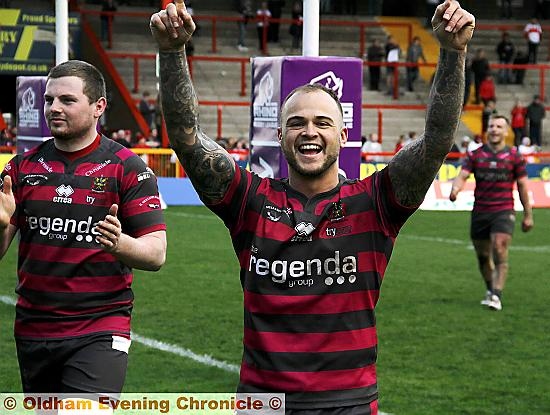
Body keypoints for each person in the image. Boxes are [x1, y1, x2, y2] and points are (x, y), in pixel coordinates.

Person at [150, 0, 474, 411]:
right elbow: (187, 138)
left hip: (348, 402)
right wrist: (173, 50)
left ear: (343, 135)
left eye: (322, 123)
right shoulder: (250, 201)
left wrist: (453, 52)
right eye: (297, 123)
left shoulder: (375, 202)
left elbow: (435, 143)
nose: (310, 132)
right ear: (280, 136)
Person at [0, 60, 166, 399]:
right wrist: (1, 224)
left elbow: (156, 253)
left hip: (100, 327)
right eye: (48, 100)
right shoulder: (20, 168)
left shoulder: (128, 168)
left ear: (98, 107)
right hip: (33, 329)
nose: (53, 108)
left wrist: (119, 244)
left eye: (67, 100)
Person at [449, 115, 533, 311]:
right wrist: (455, 190)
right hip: (480, 212)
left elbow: (522, 186)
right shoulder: (475, 155)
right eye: (491, 126)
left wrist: (528, 215)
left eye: (499, 126)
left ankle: (496, 294)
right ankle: (490, 289)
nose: (494, 129)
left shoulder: (514, 156)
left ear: (506, 132)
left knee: (499, 247)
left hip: (503, 210)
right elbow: (462, 175)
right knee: (483, 256)